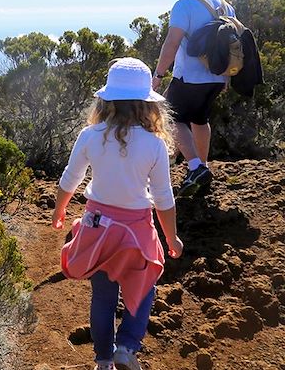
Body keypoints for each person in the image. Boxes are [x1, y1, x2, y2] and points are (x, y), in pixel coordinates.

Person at [52, 57, 183, 370]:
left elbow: (70, 179)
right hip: (137, 231)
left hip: (97, 228)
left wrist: (59, 210)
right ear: (147, 104)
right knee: (141, 291)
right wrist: (171, 238)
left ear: (106, 99)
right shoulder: (153, 145)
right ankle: (126, 347)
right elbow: (163, 198)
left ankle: (103, 361)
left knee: (103, 298)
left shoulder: (90, 135)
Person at [152, 0, 235, 194]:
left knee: (167, 116)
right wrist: (227, 74)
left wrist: (158, 75)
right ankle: (202, 167)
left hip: (190, 76)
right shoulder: (223, 3)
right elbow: (231, 40)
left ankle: (195, 167)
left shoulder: (184, 5)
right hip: (218, 77)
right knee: (200, 118)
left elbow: (172, 43)